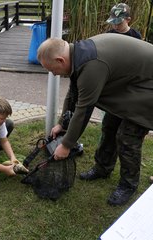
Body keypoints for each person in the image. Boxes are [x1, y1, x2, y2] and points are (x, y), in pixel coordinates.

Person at [37, 34, 153, 206]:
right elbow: (73, 93)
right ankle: (102, 168)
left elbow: (83, 110)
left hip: (147, 87)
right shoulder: (77, 55)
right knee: (109, 126)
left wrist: (67, 145)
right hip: (130, 84)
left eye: (52, 70)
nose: (53, 74)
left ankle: (128, 185)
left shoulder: (92, 65)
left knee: (127, 137)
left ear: (60, 60)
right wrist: (62, 123)